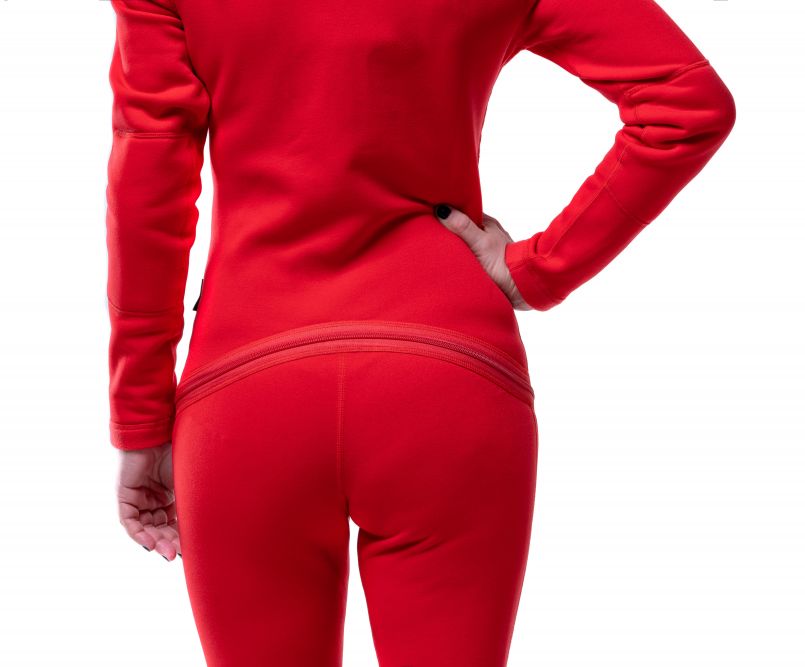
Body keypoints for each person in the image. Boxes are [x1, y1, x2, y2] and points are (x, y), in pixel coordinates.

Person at [103, 0, 735, 664]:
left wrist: (141, 420)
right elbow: (686, 102)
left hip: (248, 387)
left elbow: (148, 181)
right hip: (446, 376)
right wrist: (539, 270)